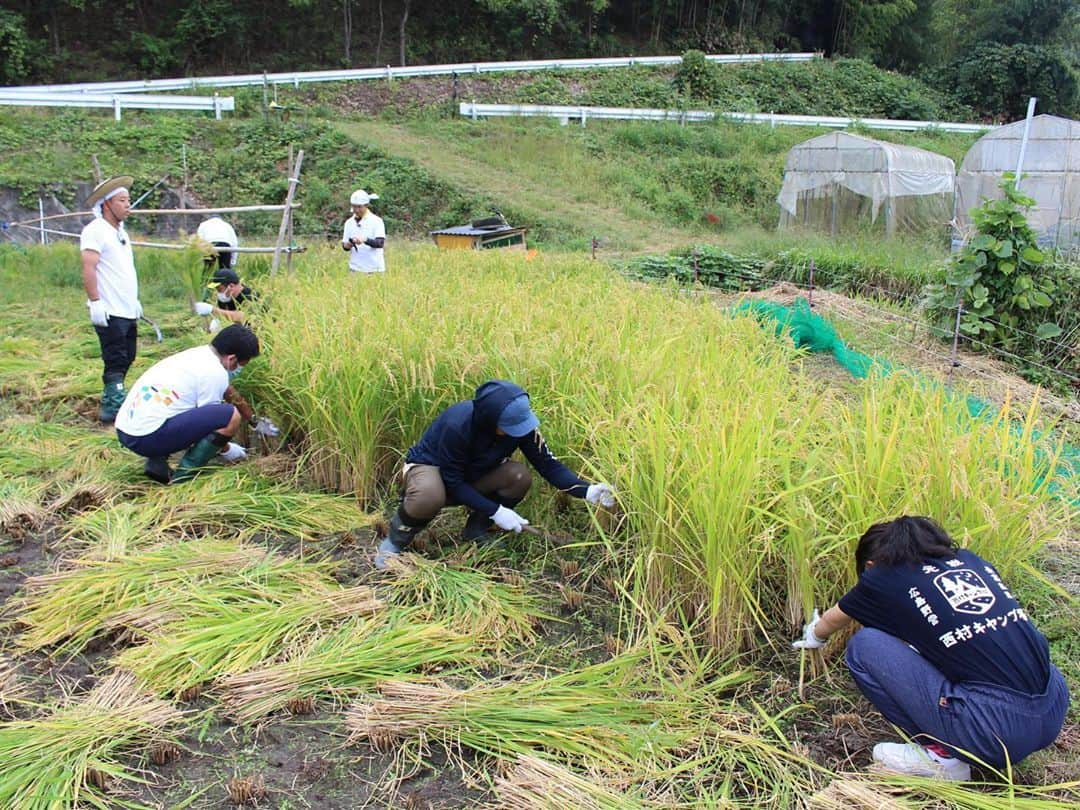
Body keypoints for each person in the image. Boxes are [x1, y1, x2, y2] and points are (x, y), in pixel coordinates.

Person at [793, 516, 1068, 781]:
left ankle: (943, 759)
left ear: (871, 564)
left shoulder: (882, 576)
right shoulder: (972, 563)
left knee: (865, 646)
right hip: (1053, 706)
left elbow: (831, 620)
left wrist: (814, 636)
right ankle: (973, 736)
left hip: (994, 728)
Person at [374, 380, 616, 569]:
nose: (517, 432)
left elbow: (548, 465)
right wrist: (497, 511)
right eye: (509, 428)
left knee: (518, 476)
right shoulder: (458, 424)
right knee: (429, 494)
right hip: (434, 471)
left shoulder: (521, 427)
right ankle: (395, 541)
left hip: (473, 474)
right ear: (489, 419)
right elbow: (452, 481)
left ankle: (476, 529)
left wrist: (586, 490)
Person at [114, 324, 278, 484]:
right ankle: (183, 478)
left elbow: (228, 390)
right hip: (145, 437)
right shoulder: (214, 373)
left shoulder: (199, 355)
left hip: (125, 430)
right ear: (232, 358)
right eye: (242, 365)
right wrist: (227, 450)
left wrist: (254, 420)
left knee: (175, 405)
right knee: (230, 416)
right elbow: (208, 427)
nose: (239, 369)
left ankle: (157, 462)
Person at [80, 175, 142, 423]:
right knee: (115, 358)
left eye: (128, 200)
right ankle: (112, 409)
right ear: (107, 204)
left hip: (126, 307)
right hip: (109, 309)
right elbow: (89, 267)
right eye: (122, 200)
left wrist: (134, 300)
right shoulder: (96, 231)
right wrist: (95, 301)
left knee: (128, 356)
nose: (128, 205)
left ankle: (112, 396)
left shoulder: (120, 233)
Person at [341, 189, 385, 273]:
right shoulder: (349, 223)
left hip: (374, 270)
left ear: (366, 205)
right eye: (354, 206)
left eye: (359, 207)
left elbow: (380, 243)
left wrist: (365, 240)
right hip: (354, 269)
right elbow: (344, 246)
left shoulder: (377, 221)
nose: (356, 210)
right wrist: (349, 244)